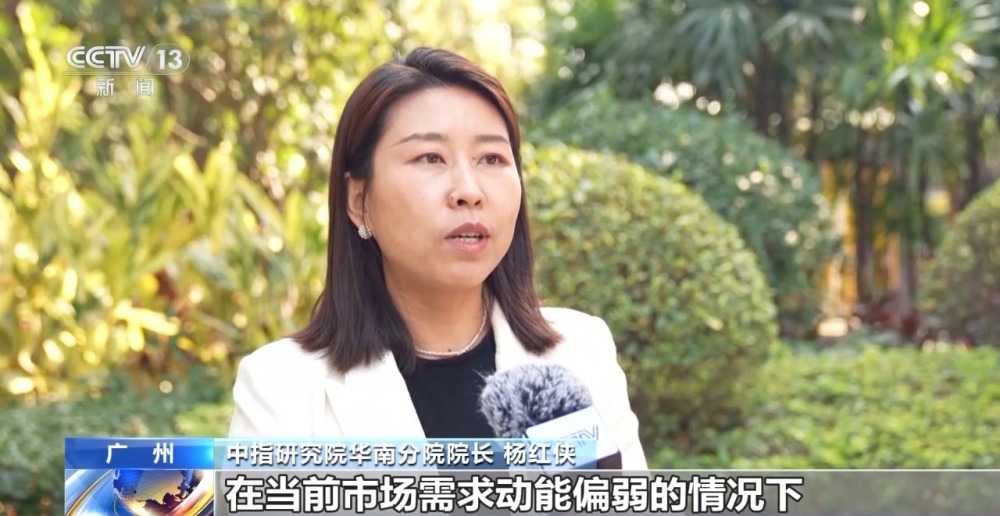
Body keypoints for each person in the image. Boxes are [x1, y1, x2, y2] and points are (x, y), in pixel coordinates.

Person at [227, 47, 648, 469]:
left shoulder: (581, 351)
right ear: (358, 199)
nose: (469, 190)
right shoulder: (282, 386)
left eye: (492, 158)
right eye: (430, 157)